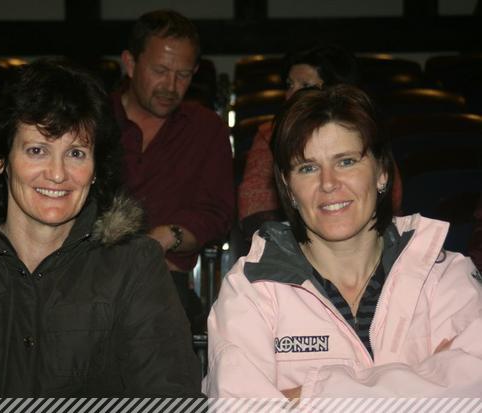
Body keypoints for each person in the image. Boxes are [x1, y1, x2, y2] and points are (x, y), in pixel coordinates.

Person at [0, 58, 202, 397]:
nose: (57, 174)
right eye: (37, 150)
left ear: (95, 169)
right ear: (1, 159)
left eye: (76, 153)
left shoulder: (134, 265)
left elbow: (171, 399)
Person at [205, 85, 482, 398]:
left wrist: (306, 398)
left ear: (382, 172)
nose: (328, 183)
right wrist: (428, 383)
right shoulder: (251, 289)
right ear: (288, 187)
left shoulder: (444, 276)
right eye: (308, 168)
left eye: (346, 161)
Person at [113, 9, 235, 331]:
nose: (170, 86)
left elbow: (216, 214)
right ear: (130, 63)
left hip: (163, 283)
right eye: (160, 71)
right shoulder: (94, 121)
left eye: (183, 75)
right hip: (86, 273)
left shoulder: (206, 129)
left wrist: (170, 236)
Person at [237, 44, 403, 241]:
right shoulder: (269, 136)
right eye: (289, 85)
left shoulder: (365, 134)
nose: (291, 95)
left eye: (346, 162)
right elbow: (253, 211)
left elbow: (392, 201)